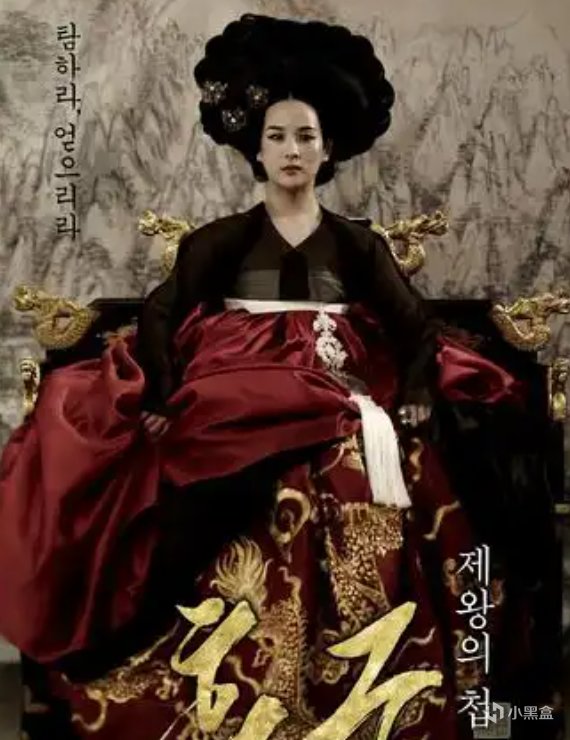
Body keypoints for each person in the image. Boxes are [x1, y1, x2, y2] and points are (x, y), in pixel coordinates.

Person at [0, 14, 557, 740]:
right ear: (256, 152)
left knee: (387, 463)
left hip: (335, 380)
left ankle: (359, 689)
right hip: (239, 376)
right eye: (277, 137)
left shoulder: (355, 244)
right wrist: (161, 392)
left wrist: (420, 390)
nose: (292, 150)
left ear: (328, 150)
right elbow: (163, 314)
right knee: (197, 469)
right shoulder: (222, 240)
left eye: (305, 137)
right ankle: (170, 651)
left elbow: (415, 327)